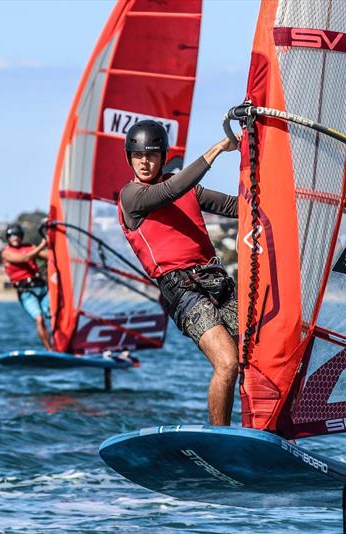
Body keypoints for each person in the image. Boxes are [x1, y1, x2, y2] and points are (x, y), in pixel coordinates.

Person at [118, 120, 239, 425]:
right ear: (130, 158)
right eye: (138, 156)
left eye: (152, 155)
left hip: (217, 281)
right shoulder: (131, 197)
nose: (145, 162)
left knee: (261, 355)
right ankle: (219, 439)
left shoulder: (188, 190)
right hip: (182, 291)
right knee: (227, 362)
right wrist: (219, 148)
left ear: (162, 156)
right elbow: (172, 189)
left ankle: (264, 430)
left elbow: (236, 206)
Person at [1, 224, 53, 351]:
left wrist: (53, 245)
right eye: (12, 235)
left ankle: (63, 344)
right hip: (26, 292)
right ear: (8, 238)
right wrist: (41, 245)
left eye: (17, 235)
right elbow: (25, 258)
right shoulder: (7, 253)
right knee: (39, 319)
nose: (15, 238)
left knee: (54, 315)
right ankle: (50, 350)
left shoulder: (29, 247)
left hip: (42, 287)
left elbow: (49, 256)